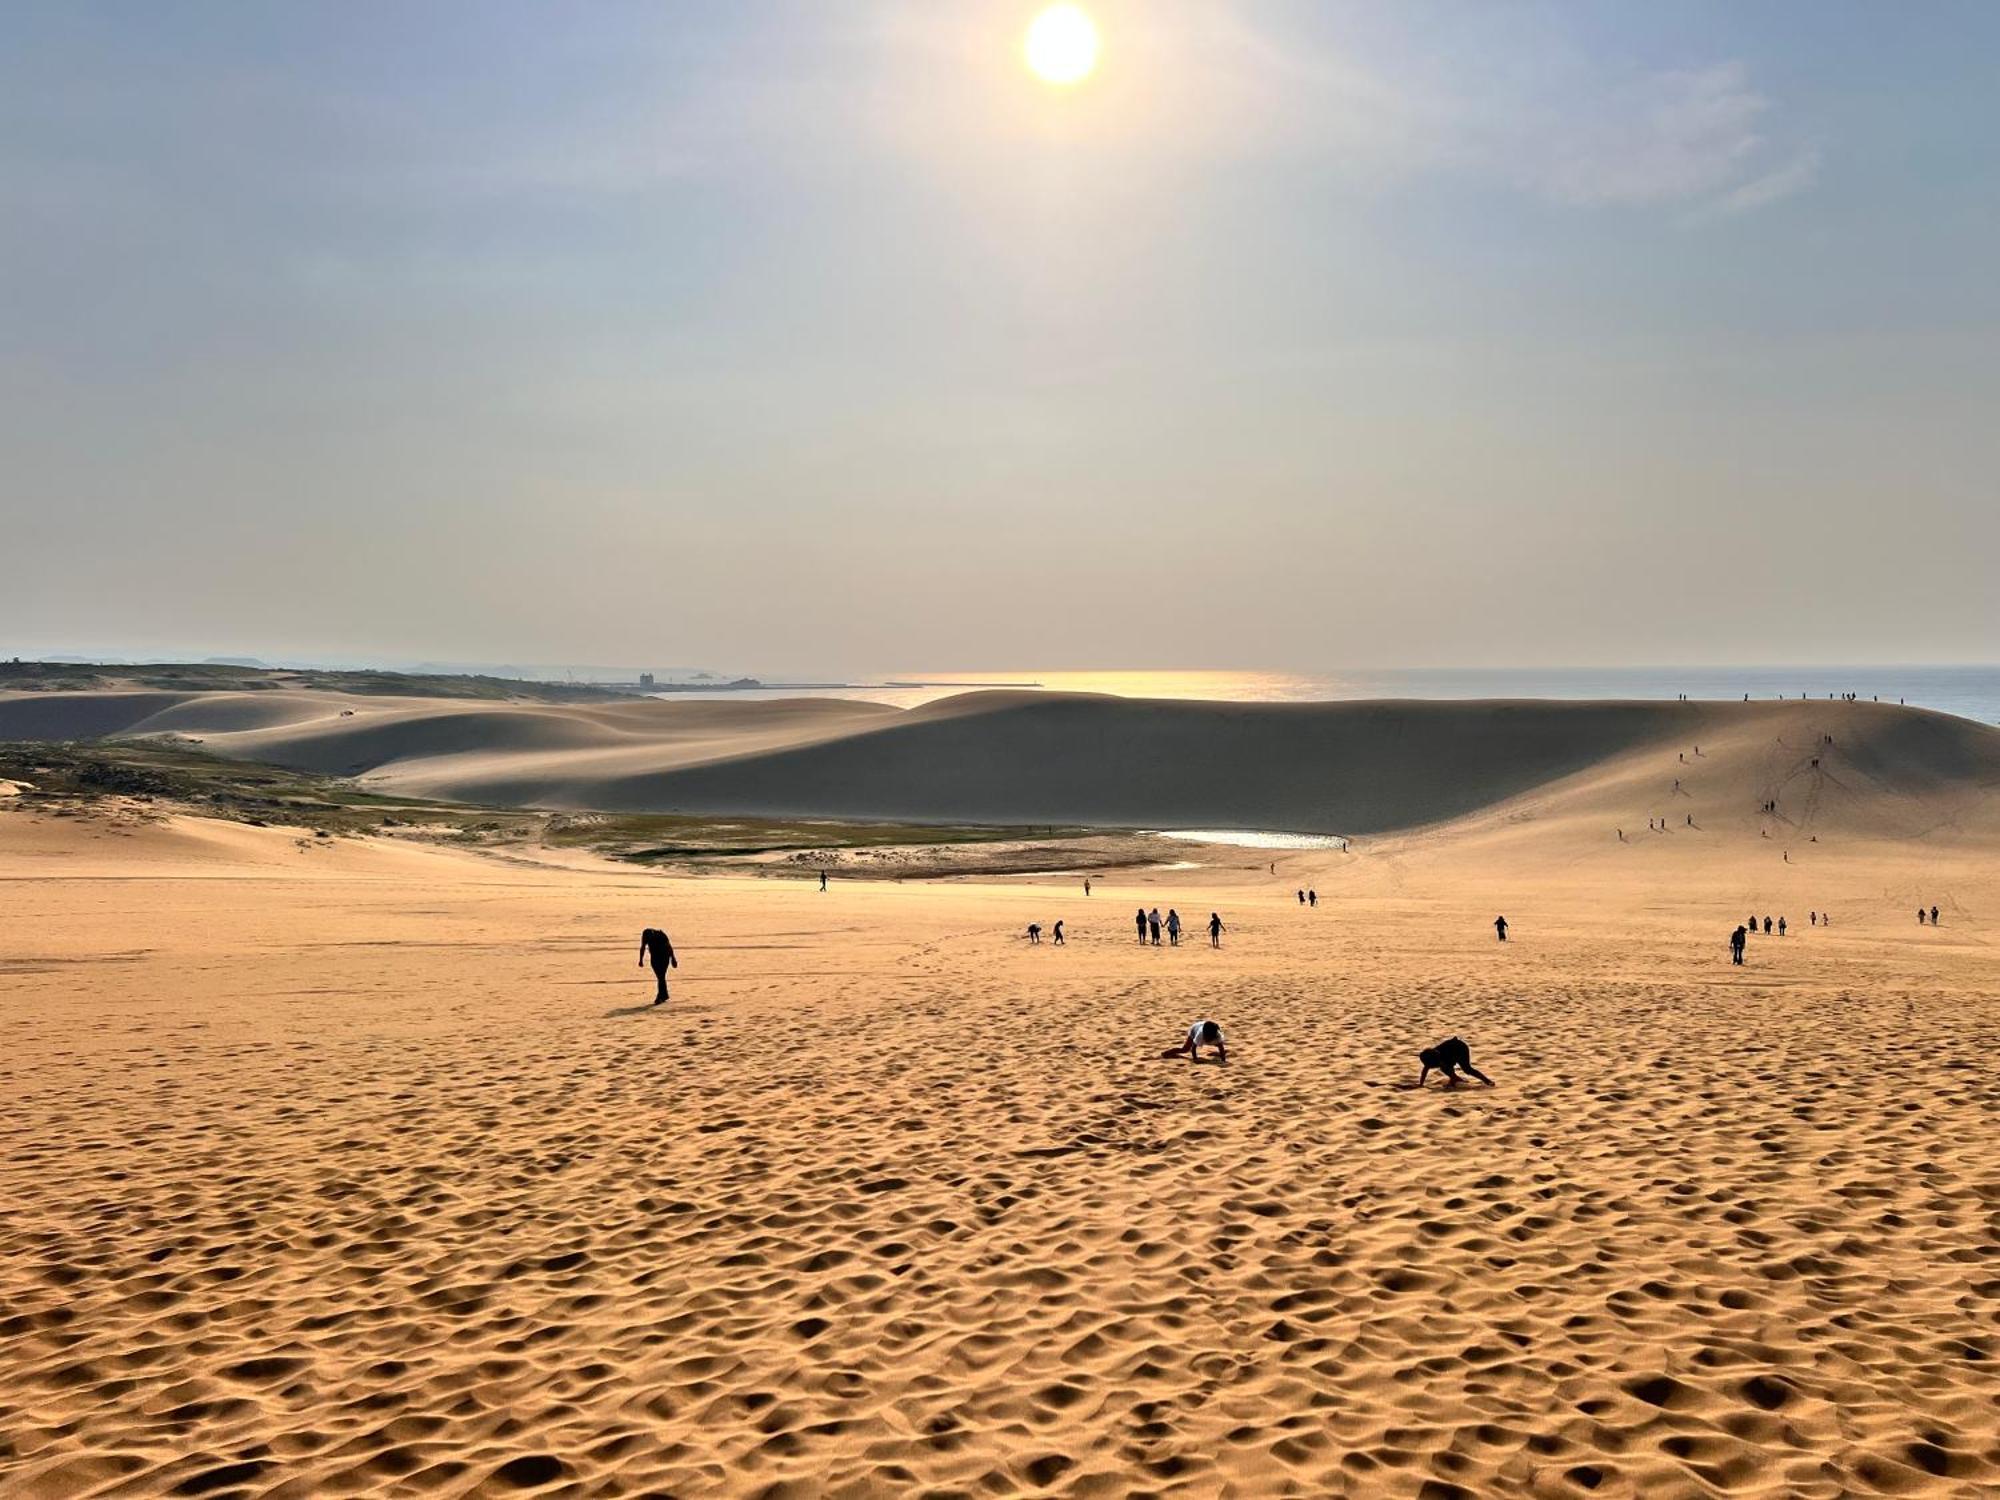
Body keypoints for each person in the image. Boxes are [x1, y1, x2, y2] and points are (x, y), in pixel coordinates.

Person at [1415, 1036, 1493, 1089]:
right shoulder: (1430, 1057)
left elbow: (1449, 1067)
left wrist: (1451, 1078)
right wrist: (1421, 1084)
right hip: (1451, 1048)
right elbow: (1425, 1070)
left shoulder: (1442, 1056)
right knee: (1445, 1068)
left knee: (1467, 1069)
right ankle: (1455, 1079)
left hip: (1460, 1048)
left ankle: (1487, 1081)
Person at [638, 927, 678, 1006]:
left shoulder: (661, 935)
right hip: (654, 957)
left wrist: (673, 959)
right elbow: (642, 947)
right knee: (660, 977)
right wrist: (641, 960)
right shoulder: (646, 934)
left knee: (661, 976)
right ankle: (664, 995)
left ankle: (660, 996)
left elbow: (669, 947)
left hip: (665, 956)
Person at [1164, 1019, 1228, 1063]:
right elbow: (1193, 1047)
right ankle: (1167, 1053)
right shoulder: (1200, 1034)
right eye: (1206, 1038)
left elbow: (1221, 1048)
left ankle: (1217, 1054)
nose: (1207, 1040)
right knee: (1185, 1049)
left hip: (1207, 1027)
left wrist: (1223, 1060)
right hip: (1194, 1029)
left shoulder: (1218, 1036)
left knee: (1219, 1045)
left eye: (1208, 1038)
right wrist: (1195, 1058)